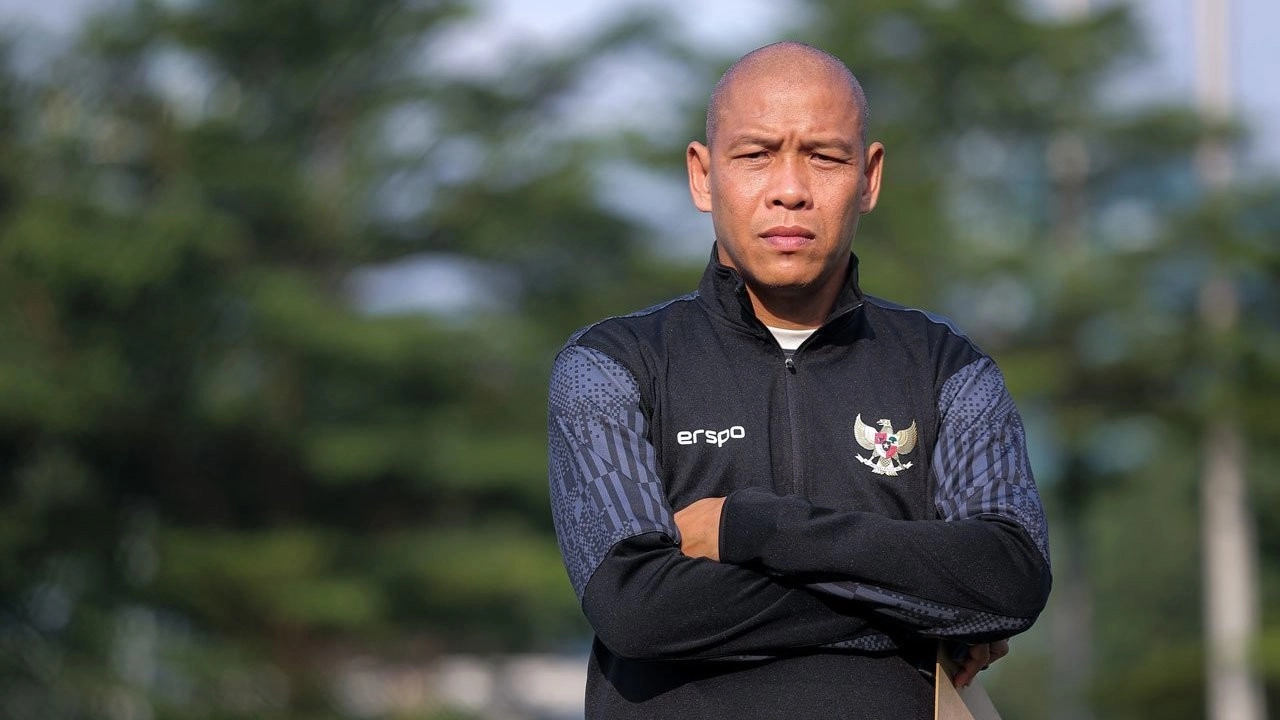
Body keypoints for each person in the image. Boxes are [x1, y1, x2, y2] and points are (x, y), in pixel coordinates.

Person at [547, 41, 1051, 719]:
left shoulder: (949, 368)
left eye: (825, 157)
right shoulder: (610, 366)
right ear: (703, 175)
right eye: (756, 155)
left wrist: (751, 527)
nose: (790, 189)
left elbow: (1010, 577)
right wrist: (924, 603)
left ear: (869, 177)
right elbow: (637, 609)